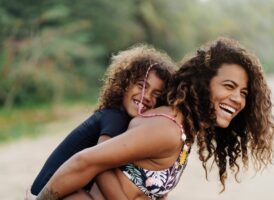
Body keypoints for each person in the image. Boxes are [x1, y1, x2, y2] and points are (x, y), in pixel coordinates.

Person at [34, 37, 274, 200]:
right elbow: (84, 162)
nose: (237, 98)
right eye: (229, 86)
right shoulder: (166, 129)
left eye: (243, 93)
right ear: (203, 84)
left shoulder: (184, 130)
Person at [28, 44, 176, 199]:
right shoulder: (115, 117)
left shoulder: (132, 125)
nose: (146, 96)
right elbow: (102, 167)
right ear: (125, 83)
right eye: (141, 86)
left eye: (156, 94)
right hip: (50, 188)